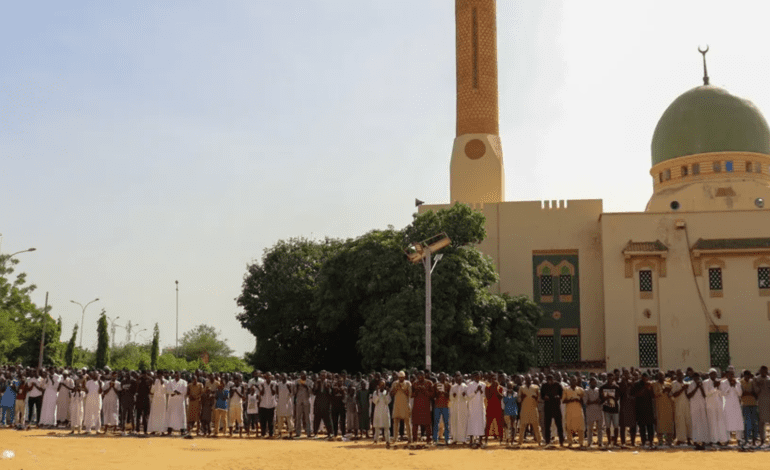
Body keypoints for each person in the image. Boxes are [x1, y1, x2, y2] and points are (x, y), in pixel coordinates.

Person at [704, 368, 728, 445]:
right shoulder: (706, 382)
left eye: (715, 374)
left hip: (719, 405)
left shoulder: (719, 382)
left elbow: (722, 394)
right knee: (712, 423)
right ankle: (712, 440)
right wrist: (714, 387)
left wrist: (718, 387)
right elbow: (707, 393)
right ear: (709, 374)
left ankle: (720, 440)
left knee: (719, 423)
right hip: (710, 405)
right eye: (712, 374)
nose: (714, 375)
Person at [721, 367, 743, 443]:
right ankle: (727, 439)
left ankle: (739, 439)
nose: (731, 375)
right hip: (727, 405)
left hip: (736, 405)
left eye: (732, 374)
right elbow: (723, 393)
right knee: (727, 421)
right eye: (729, 373)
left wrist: (734, 386)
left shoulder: (737, 382)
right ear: (726, 374)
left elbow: (740, 393)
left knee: (738, 422)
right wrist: (729, 386)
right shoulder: (723, 383)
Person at [632, 373, 655, 448]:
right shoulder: (637, 384)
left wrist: (650, 388)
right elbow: (636, 394)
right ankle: (643, 442)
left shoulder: (650, 384)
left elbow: (653, 396)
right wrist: (645, 387)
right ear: (642, 377)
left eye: (647, 377)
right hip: (640, 408)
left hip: (649, 408)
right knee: (642, 427)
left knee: (650, 427)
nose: (646, 379)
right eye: (644, 377)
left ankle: (651, 442)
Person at [517, 374, 541, 446]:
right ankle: (520, 441)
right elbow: (518, 400)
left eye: (529, 378)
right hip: (524, 409)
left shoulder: (536, 387)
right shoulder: (522, 388)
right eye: (527, 378)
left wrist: (536, 397)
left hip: (533, 409)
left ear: (531, 379)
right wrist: (522, 397)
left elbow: (539, 398)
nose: (528, 380)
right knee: (522, 426)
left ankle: (539, 441)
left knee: (536, 426)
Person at [687, 372, 709, 449]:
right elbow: (689, 395)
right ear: (693, 378)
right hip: (694, 406)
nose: (697, 379)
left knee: (703, 423)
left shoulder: (702, 384)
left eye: (698, 378)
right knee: (695, 424)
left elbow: (704, 395)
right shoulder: (690, 384)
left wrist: (700, 387)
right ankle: (696, 442)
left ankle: (703, 442)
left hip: (702, 406)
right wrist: (696, 387)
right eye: (695, 378)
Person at [541, 374, 564, 446]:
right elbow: (541, 395)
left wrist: (559, 396)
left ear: (553, 379)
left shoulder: (558, 385)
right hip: (548, 407)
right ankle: (547, 441)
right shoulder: (544, 386)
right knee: (547, 425)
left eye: (551, 379)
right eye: (548, 380)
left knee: (559, 425)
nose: (549, 381)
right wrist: (545, 397)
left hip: (556, 407)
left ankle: (561, 441)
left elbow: (562, 394)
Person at [670, 369, 692, 445]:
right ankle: (680, 439)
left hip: (686, 404)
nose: (681, 376)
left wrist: (686, 389)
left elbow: (689, 395)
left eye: (682, 375)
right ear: (676, 375)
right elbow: (674, 394)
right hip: (678, 405)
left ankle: (689, 438)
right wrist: (682, 388)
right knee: (680, 422)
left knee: (688, 421)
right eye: (679, 375)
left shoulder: (686, 383)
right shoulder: (674, 383)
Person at [411, 371, 433, 444]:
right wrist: (416, 391)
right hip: (417, 406)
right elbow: (411, 395)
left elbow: (432, 395)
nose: (420, 377)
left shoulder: (429, 383)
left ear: (424, 376)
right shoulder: (414, 384)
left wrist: (424, 390)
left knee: (427, 423)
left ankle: (429, 439)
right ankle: (414, 439)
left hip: (425, 406)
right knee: (415, 423)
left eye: (422, 376)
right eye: (419, 376)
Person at [390, 371, 412, 445]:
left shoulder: (408, 383)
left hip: (405, 405)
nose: (400, 379)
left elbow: (409, 394)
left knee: (407, 422)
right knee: (395, 421)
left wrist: (402, 389)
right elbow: (391, 394)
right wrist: (396, 388)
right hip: (397, 405)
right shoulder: (394, 383)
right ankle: (395, 438)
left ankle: (410, 438)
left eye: (402, 378)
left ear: (404, 377)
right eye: (399, 378)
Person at [599, 372, 620, 447]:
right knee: (607, 426)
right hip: (606, 409)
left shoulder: (616, 387)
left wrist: (608, 396)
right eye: (609, 378)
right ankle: (608, 441)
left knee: (616, 426)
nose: (610, 379)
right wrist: (606, 397)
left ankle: (615, 442)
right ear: (607, 378)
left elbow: (617, 398)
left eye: (611, 378)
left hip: (615, 409)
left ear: (613, 378)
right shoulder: (602, 387)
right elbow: (601, 398)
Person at [563, 376, 585, 447]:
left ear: (577, 381)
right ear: (570, 381)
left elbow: (584, 401)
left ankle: (581, 443)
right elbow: (563, 400)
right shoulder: (566, 389)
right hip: (570, 411)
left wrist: (579, 399)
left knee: (580, 427)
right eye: (572, 380)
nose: (573, 381)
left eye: (575, 380)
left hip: (578, 411)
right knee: (569, 427)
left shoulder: (580, 390)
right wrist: (571, 400)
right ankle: (570, 442)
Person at [466, 372, 486, 448]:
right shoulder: (470, 384)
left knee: (481, 422)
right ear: (474, 377)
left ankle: (480, 440)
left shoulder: (483, 384)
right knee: (472, 422)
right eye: (476, 376)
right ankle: (471, 440)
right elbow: (468, 395)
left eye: (479, 376)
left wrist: (480, 391)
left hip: (480, 407)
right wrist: (476, 390)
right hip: (472, 406)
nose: (477, 377)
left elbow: (484, 395)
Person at [484, 373, 504, 446]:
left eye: (495, 379)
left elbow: (501, 397)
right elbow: (488, 397)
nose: (494, 380)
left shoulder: (500, 388)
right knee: (488, 425)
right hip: (490, 408)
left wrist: (497, 390)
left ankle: (501, 439)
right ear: (490, 380)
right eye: (492, 379)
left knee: (500, 425)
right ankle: (486, 439)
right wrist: (493, 388)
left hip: (498, 408)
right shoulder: (487, 387)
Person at [740, 369, 759, 447]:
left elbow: (755, 393)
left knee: (755, 423)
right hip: (745, 405)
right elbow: (742, 394)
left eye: (749, 376)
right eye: (746, 376)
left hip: (754, 404)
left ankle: (754, 441)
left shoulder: (752, 381)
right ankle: (747, 440)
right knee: (747, 423)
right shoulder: (740, 382)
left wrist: (749, 393)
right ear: (744, 376)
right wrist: (750, 394)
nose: (747, 378)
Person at [166, 371, 187, 435]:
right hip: (172, 401)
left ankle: (182, 430)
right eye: (176, 375)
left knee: (181, 415)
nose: (177, 376)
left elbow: (185, 391)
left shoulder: (184, 382)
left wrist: (179, 392)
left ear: (180, 376)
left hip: (180, 401)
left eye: (178, 375)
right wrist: (173, 392)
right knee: (171, 416)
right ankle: (169, 430)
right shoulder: (170, 381)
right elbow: (168, 390)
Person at [449, 372, 468, 445]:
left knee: (463, 422)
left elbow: (468, 398)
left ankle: (463, 439)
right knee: (455, 422)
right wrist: (453, 396)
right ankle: (455, 439)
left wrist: (464, 396)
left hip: (463, 407)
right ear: (456, 380)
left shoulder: (465, 386)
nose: (459, 380)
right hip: (455, 407)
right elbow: (450, 398)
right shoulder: (453, 387)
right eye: (457, 379)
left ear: (462, 379)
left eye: (460, 379)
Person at [433, 372, 451, 445]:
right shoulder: (435, 385)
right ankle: (435, 439)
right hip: (437, 406)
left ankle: (447, 439)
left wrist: (445, 392)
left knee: (446, 424)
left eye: (443, 376)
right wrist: (437, 393)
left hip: (446, 406)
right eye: (441, 376)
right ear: (439, 377)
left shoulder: (448, 385)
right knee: (436, 423)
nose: (442, 378)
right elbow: (433, 395)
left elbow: (450, 395)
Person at [584, 377, 603, 447]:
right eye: (593, 382)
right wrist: (595, 401)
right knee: (590, 429)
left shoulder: (599, 390)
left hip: (598, 411)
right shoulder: (586, 391)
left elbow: (600, 401)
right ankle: (589, 443)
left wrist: (594, 401)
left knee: (600, 429)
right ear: (590, 383)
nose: (595, 384)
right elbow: (586, 402)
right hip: (590, 411)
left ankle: (600, 442)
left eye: (595, 382)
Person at [371, 380, 391, 447]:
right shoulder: (375, 392)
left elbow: (387, 402)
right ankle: (376, 440)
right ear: (378, 385)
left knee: (386, 428)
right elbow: (374, 401)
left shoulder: (386, 392)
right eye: (380, 384)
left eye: (383, 384)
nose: (382, 386)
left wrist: (387, 393)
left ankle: (387, 440)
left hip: (385, 411)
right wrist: (377, 393)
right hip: (378, 411)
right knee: (377, 427)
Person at [258, 372, 278, 437]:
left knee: (271, 421)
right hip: (263, 404)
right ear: (265, 377)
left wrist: (271, 387)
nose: (268, 378)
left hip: (271, 404)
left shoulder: (274, 383)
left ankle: (271, 433)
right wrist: (263, 387)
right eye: (267, 376)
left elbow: (273, 393)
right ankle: (263, 433)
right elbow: (262, 393)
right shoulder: (261, 384)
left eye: (269, 376)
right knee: (263, 421)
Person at [754, 365, 770, 444]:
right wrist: (759, 385)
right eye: (762, 371)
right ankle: (762, 440)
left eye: (765, 371)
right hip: (761, 403)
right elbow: (756, 391)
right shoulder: (756, 379)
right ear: (760, 371)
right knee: (761, 422)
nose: (764, 372)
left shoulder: (769, 379)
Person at [294, 372, 312, 438]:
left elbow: (311, 392)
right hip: (299, 401)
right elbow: (294, 392)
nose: (302, 376)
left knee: (307, 417)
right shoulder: (296, 381)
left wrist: (306, 386)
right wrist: (296, 387)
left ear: (306, 375)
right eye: (301, 374)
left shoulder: (310, 382)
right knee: (298, 417)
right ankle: (298, 433)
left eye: (304, 375)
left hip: (306, 400)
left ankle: (309, 432)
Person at [276, 374, 294, 438]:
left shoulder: (290, 383)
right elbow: (277, 393)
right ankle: (280, 433)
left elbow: (292, 394)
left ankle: (291, 434)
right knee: (280, 418)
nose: (283, 378)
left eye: (284, 377)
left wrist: (289, 388)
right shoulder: (279, 384)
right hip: (280, 402)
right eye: (282, 376)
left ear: (286, 377)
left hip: (288, 403)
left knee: (289, 419)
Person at [134, 370, 152, 435]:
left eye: (145, 374)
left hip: (146, 398)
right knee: (138, 415)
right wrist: (138, 378)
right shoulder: (138, 380)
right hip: (139, 398)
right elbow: (136, 388)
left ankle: (145, 430)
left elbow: (151, 388)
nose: (144, 376)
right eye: (143, 374)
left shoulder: (149, 380)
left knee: (145, 416)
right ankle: (137, 429)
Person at [502, 382, 518, 446]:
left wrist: (509, 398)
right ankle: (507, 439)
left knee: (513, 426)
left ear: (512, 387)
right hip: (507, 411)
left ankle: (512, 440)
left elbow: (513, 401)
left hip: (513, 411)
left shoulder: (515, 394)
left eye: (511, 386)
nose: (509, 387)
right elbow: (505, 401)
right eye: (508, 386)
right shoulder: (504, 393)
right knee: (507, 426)